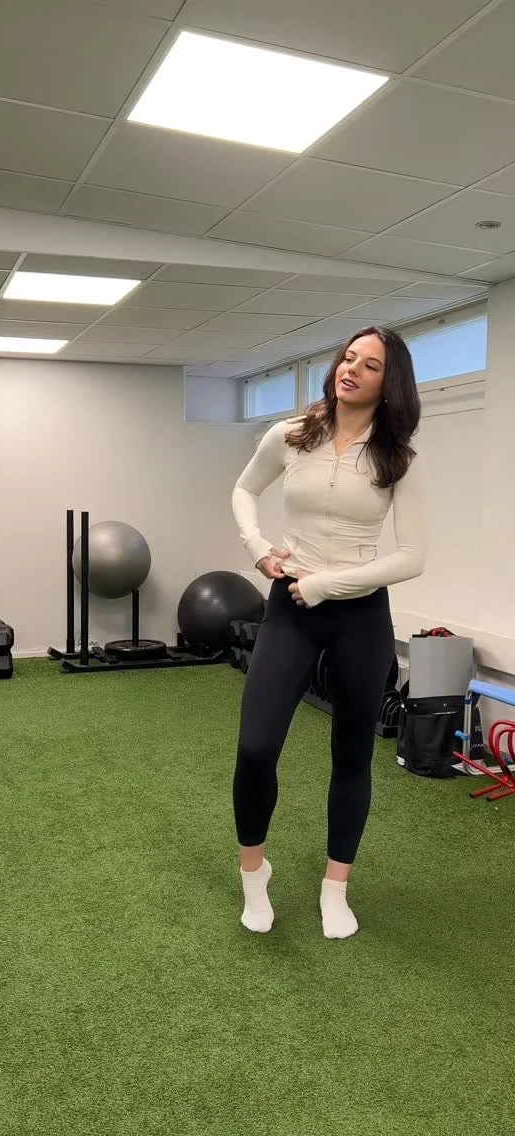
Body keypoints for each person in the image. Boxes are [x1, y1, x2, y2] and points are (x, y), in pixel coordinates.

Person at [231, 326, 426, 939]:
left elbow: (412, 557)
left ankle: (335, 888)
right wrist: (259, 548)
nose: (352, 369)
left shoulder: (397, 458)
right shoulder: (291, 435)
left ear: (389, 384)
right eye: (348, 357)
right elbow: (244, 488)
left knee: (351, 753)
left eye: (370, 365)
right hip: (290, 608)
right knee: (256, 747)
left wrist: (329, 585)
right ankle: (254, 875)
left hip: (360, 618)